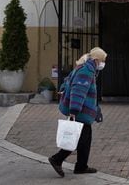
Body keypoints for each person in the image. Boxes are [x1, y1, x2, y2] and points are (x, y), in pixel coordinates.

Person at [48, 47, 107, 177]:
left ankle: (81, 166)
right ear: (96, 60)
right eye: (102, 61)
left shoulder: (83, 67)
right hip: (80, 110)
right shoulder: (86, 70)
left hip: (82, 110)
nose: (103, 64)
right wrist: (74, 110)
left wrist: (64, 89)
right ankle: (57, 159)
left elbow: (68, 80)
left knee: (86, 138)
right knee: (79, 138)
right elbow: (78, 91)